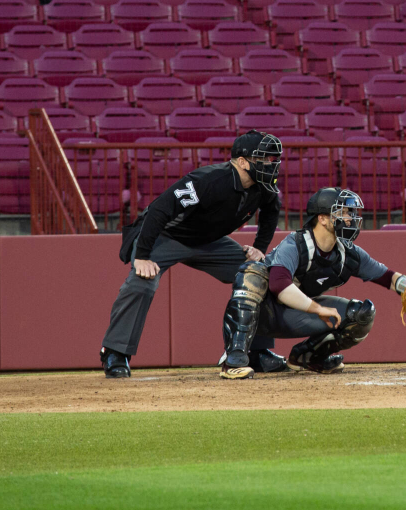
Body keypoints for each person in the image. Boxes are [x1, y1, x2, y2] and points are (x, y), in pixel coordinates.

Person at [100, 130, 283, 378]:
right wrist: (142, 255)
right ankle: (115, 352)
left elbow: (271, 213)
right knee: (142, 282)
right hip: (166, 236)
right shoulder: (209, 180)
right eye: (263, 159)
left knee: (257, 274)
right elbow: (160, 209)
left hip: (209, 242)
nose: (270, 164)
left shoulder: (264, 187)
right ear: (242, 161)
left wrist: (260, 247)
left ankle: (255, 352)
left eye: (272, 159)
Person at [219, 188, 406, 378]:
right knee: (252, 272)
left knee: (362, 314)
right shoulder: (295, 244)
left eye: (350, 213)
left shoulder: (348, 252)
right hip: (263, 313)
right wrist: (318, 309)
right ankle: (235, 358)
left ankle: (308, 357)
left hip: (295, 316)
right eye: (343, 212)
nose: (350, 218)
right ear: (323, 218)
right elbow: (278, 286)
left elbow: (387, 277)